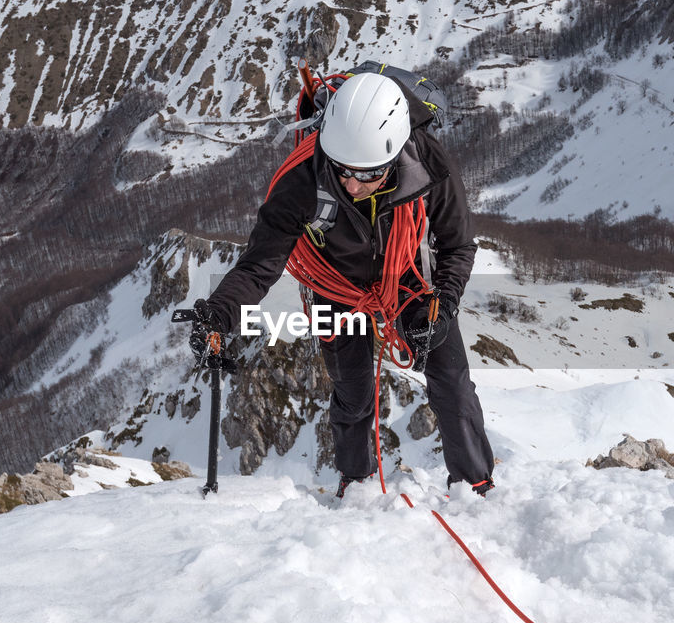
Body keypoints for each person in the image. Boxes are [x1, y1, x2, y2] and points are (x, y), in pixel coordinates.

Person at [189, 71, 496, 498]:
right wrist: (218, 315)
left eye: (367, 175)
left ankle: (476, 486)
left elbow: (457, 245)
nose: (352, 184)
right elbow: (260, 265)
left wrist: (442, 307)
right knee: (353, 391)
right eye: (343, 171)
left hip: (410, 280)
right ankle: (357, 484)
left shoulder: (427, 164)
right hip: (334, 286)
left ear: (393, 158)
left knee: (452, 380)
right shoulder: (303, 181)